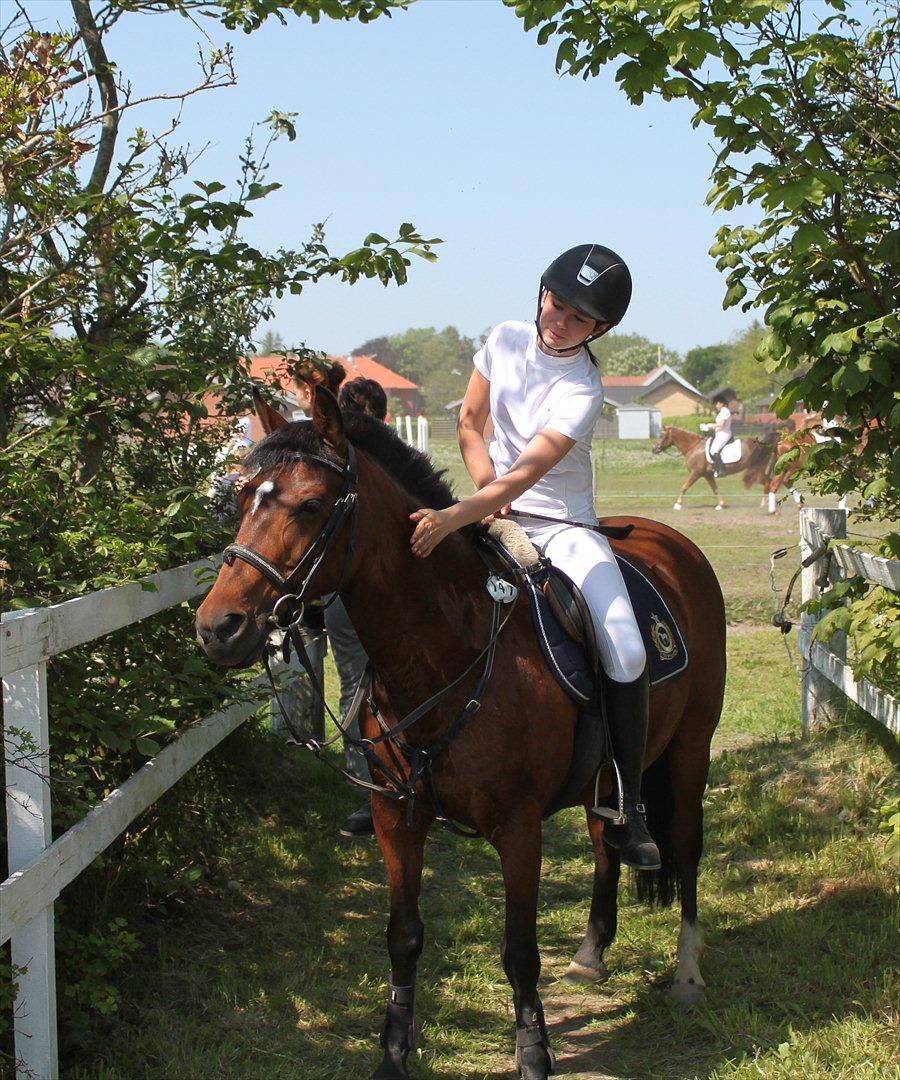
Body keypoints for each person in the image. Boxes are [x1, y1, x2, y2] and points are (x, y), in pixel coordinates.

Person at [408, 244, 661, 870]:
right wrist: (481, 499)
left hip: (562, 528)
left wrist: (451, 517)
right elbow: (470, 422)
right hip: (491, 510)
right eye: (555, 299)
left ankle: (627, 806)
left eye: (578, 317)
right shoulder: (503, 339)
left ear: (600, 329)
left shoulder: (584, 386)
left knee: (626, 648)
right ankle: (398, 771)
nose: (558, 318)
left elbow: (527, 474)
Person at [703, 390, 734, 477]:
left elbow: (721, 425)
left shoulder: (725, 411)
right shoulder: (721, 412)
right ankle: (716, 468)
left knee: (714, 451)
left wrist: (709, 426)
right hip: (720, 434)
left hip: (724, 434)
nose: (716, 406)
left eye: (716, 404)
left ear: (721, 403)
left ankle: (721, 470)